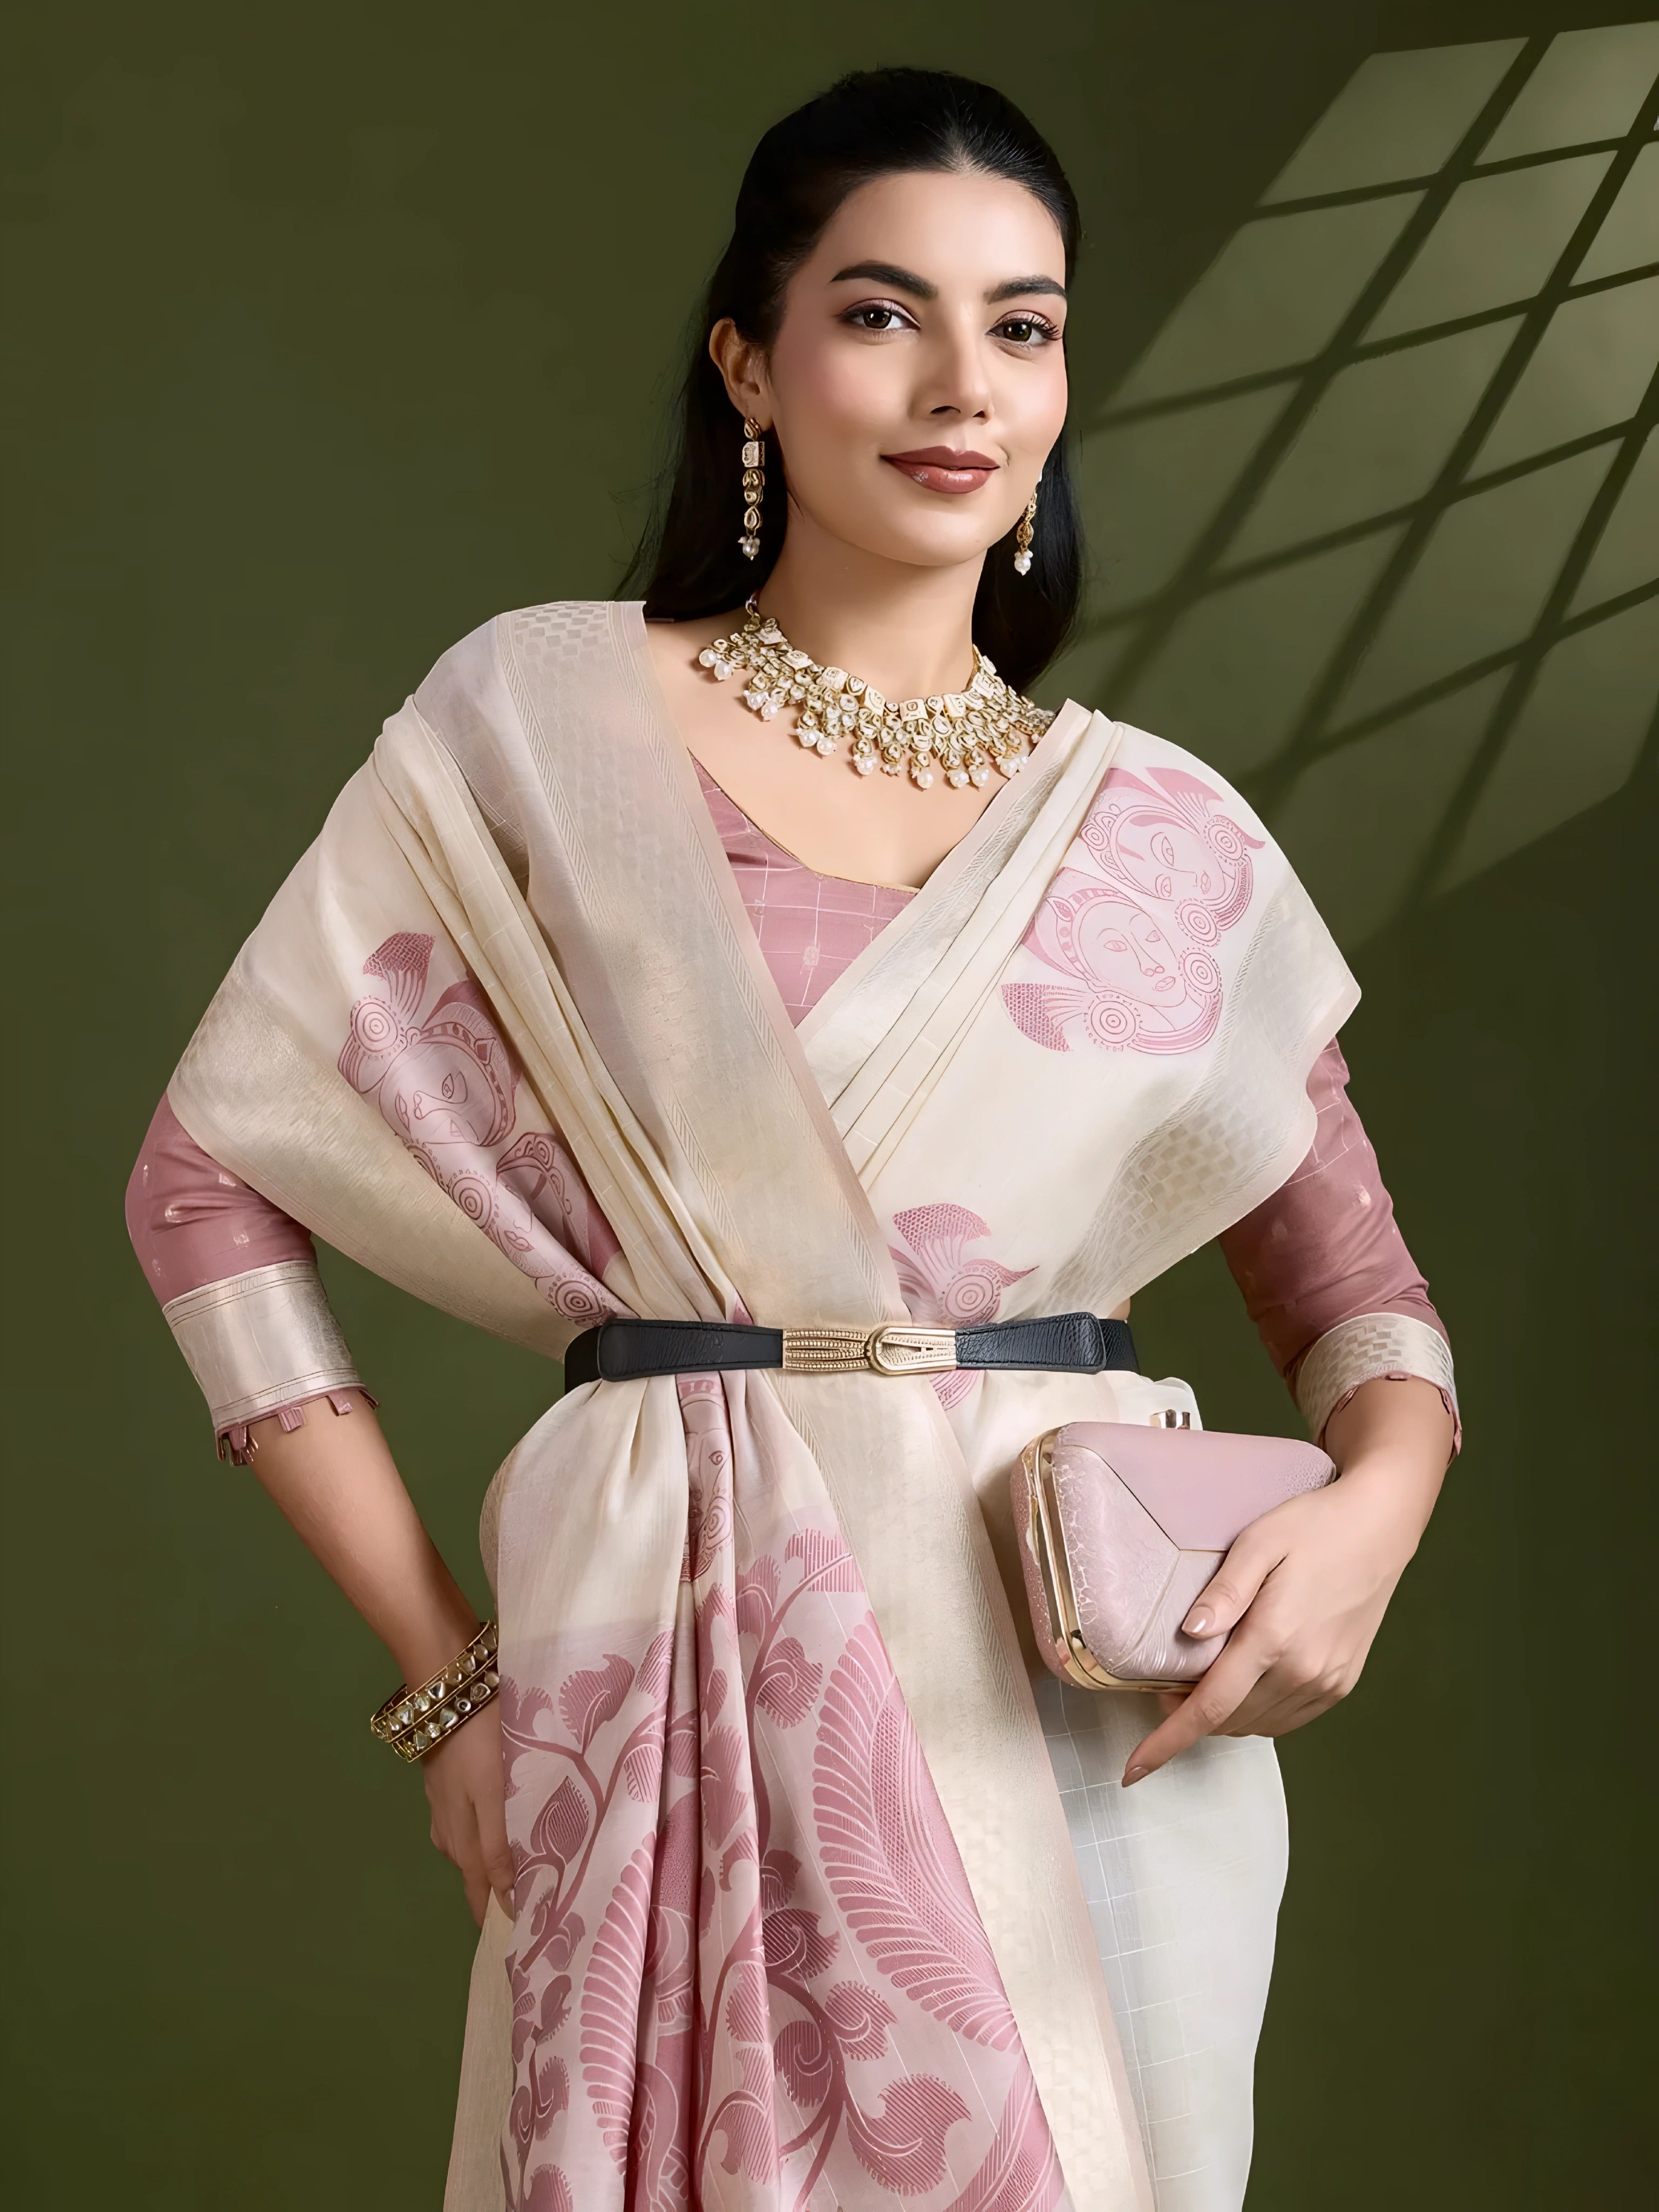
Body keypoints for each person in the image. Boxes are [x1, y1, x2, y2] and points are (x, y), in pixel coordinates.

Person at [126, 68, 1456, 2212]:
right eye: (882, 313)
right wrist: (451, 1687)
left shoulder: (1159, 833)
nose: (963, 386)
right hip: (654, 1688)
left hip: (1085, 1734)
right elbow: (204, 1181)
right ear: (749, 361)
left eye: (1023, 326)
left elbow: (1366, 1311)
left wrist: (1375, 1516)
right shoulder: (548, 725)